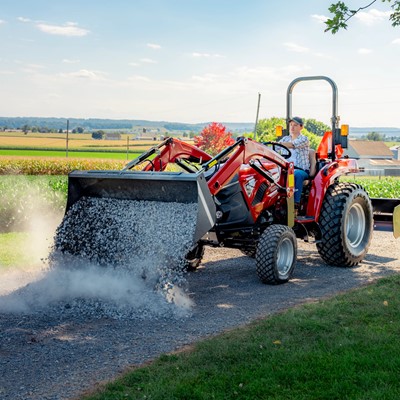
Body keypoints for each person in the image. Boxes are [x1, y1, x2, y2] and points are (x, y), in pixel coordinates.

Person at [279, 116, 310, 207]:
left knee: (296, 175)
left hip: (300, 169)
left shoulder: (304, 139)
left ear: (301, 127)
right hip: (286, 169)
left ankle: (295, 202)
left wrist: (278, 144)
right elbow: (275, 148)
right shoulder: (285, 139)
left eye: (295, 125)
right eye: (291, 125)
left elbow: (292, 145)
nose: (292, 127)